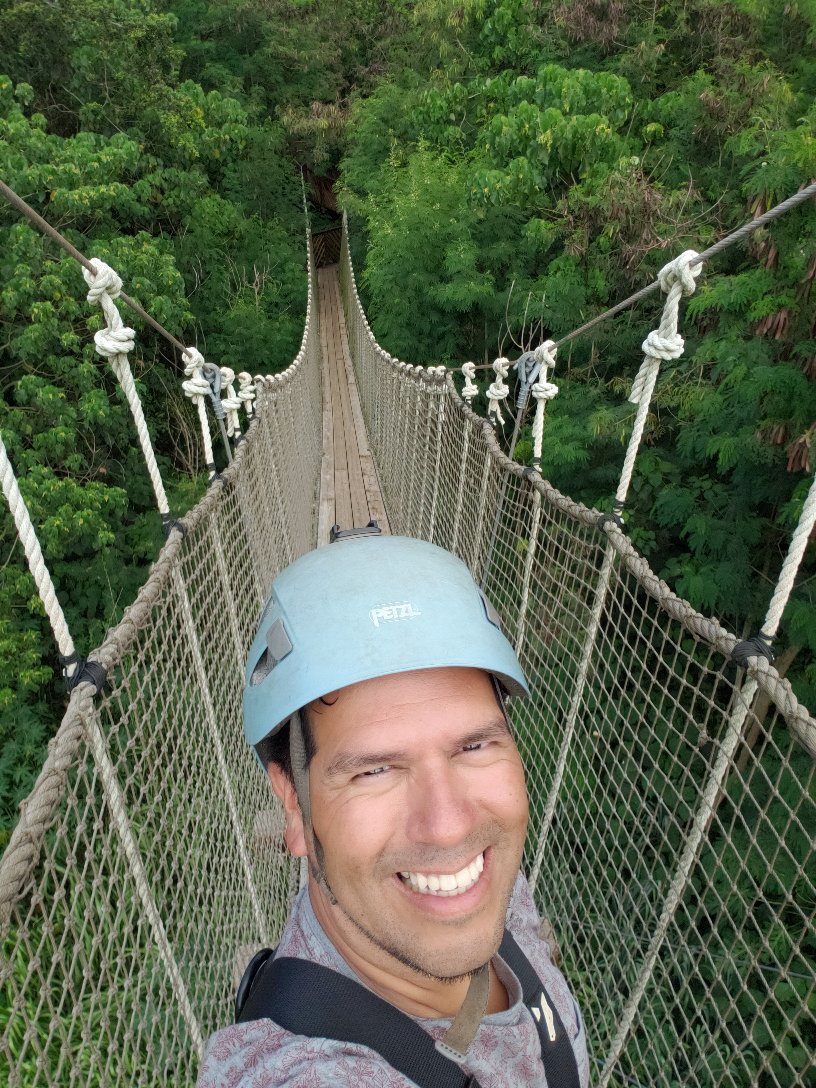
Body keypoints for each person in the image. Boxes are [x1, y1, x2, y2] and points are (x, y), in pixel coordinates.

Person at [197, 531, 589, 1087]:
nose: (449, 824)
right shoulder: (301, 1071)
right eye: (374, 770)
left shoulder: (498, 891)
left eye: (474, 746)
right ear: (292, 802)